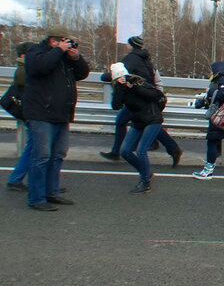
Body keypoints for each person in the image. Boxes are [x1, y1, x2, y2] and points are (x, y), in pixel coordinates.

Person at [23, 25, 90, 211]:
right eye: (64, 41)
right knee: (41, 157)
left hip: (61, 114)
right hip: (41, 113)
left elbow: (82, 73)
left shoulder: (63, 58)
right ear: (54, 41)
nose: (67, 45)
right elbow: (40, 68)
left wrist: (75, 58)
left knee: (57, 156)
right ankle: (37, 198)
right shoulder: (36, 52)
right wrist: (59, 51)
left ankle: (52, 192)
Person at [99, 35, 183, 168]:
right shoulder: (146, 58)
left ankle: (118, 152)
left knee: (123, 121)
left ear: (131, 45)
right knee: (149, 122)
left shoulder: (130, 59)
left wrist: (105, 76)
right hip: (147, 96)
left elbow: (121, 75)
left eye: (128, 44)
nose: (126, 46)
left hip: (138, 97)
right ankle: (173, 149)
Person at [110, 63, 164, 193]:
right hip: (138, 121)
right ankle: (145, 171)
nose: (123, 79)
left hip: (153, 119)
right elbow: (116, 105)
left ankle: (145, 181)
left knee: (141, 151)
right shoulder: (120, 89)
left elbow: (156, 95)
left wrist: (134, 87)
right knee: (125, 151)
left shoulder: (138, 82)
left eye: (124, 77)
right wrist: (121, 88)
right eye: (119, 78)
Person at [6, 42, 35, 191]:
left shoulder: (23, 67)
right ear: (24, 55)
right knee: (33, 147)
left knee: (34, 146)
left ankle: (19, 179)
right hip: (31, 111)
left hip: (29, 110)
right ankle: (16, 179)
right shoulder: (24, 69)